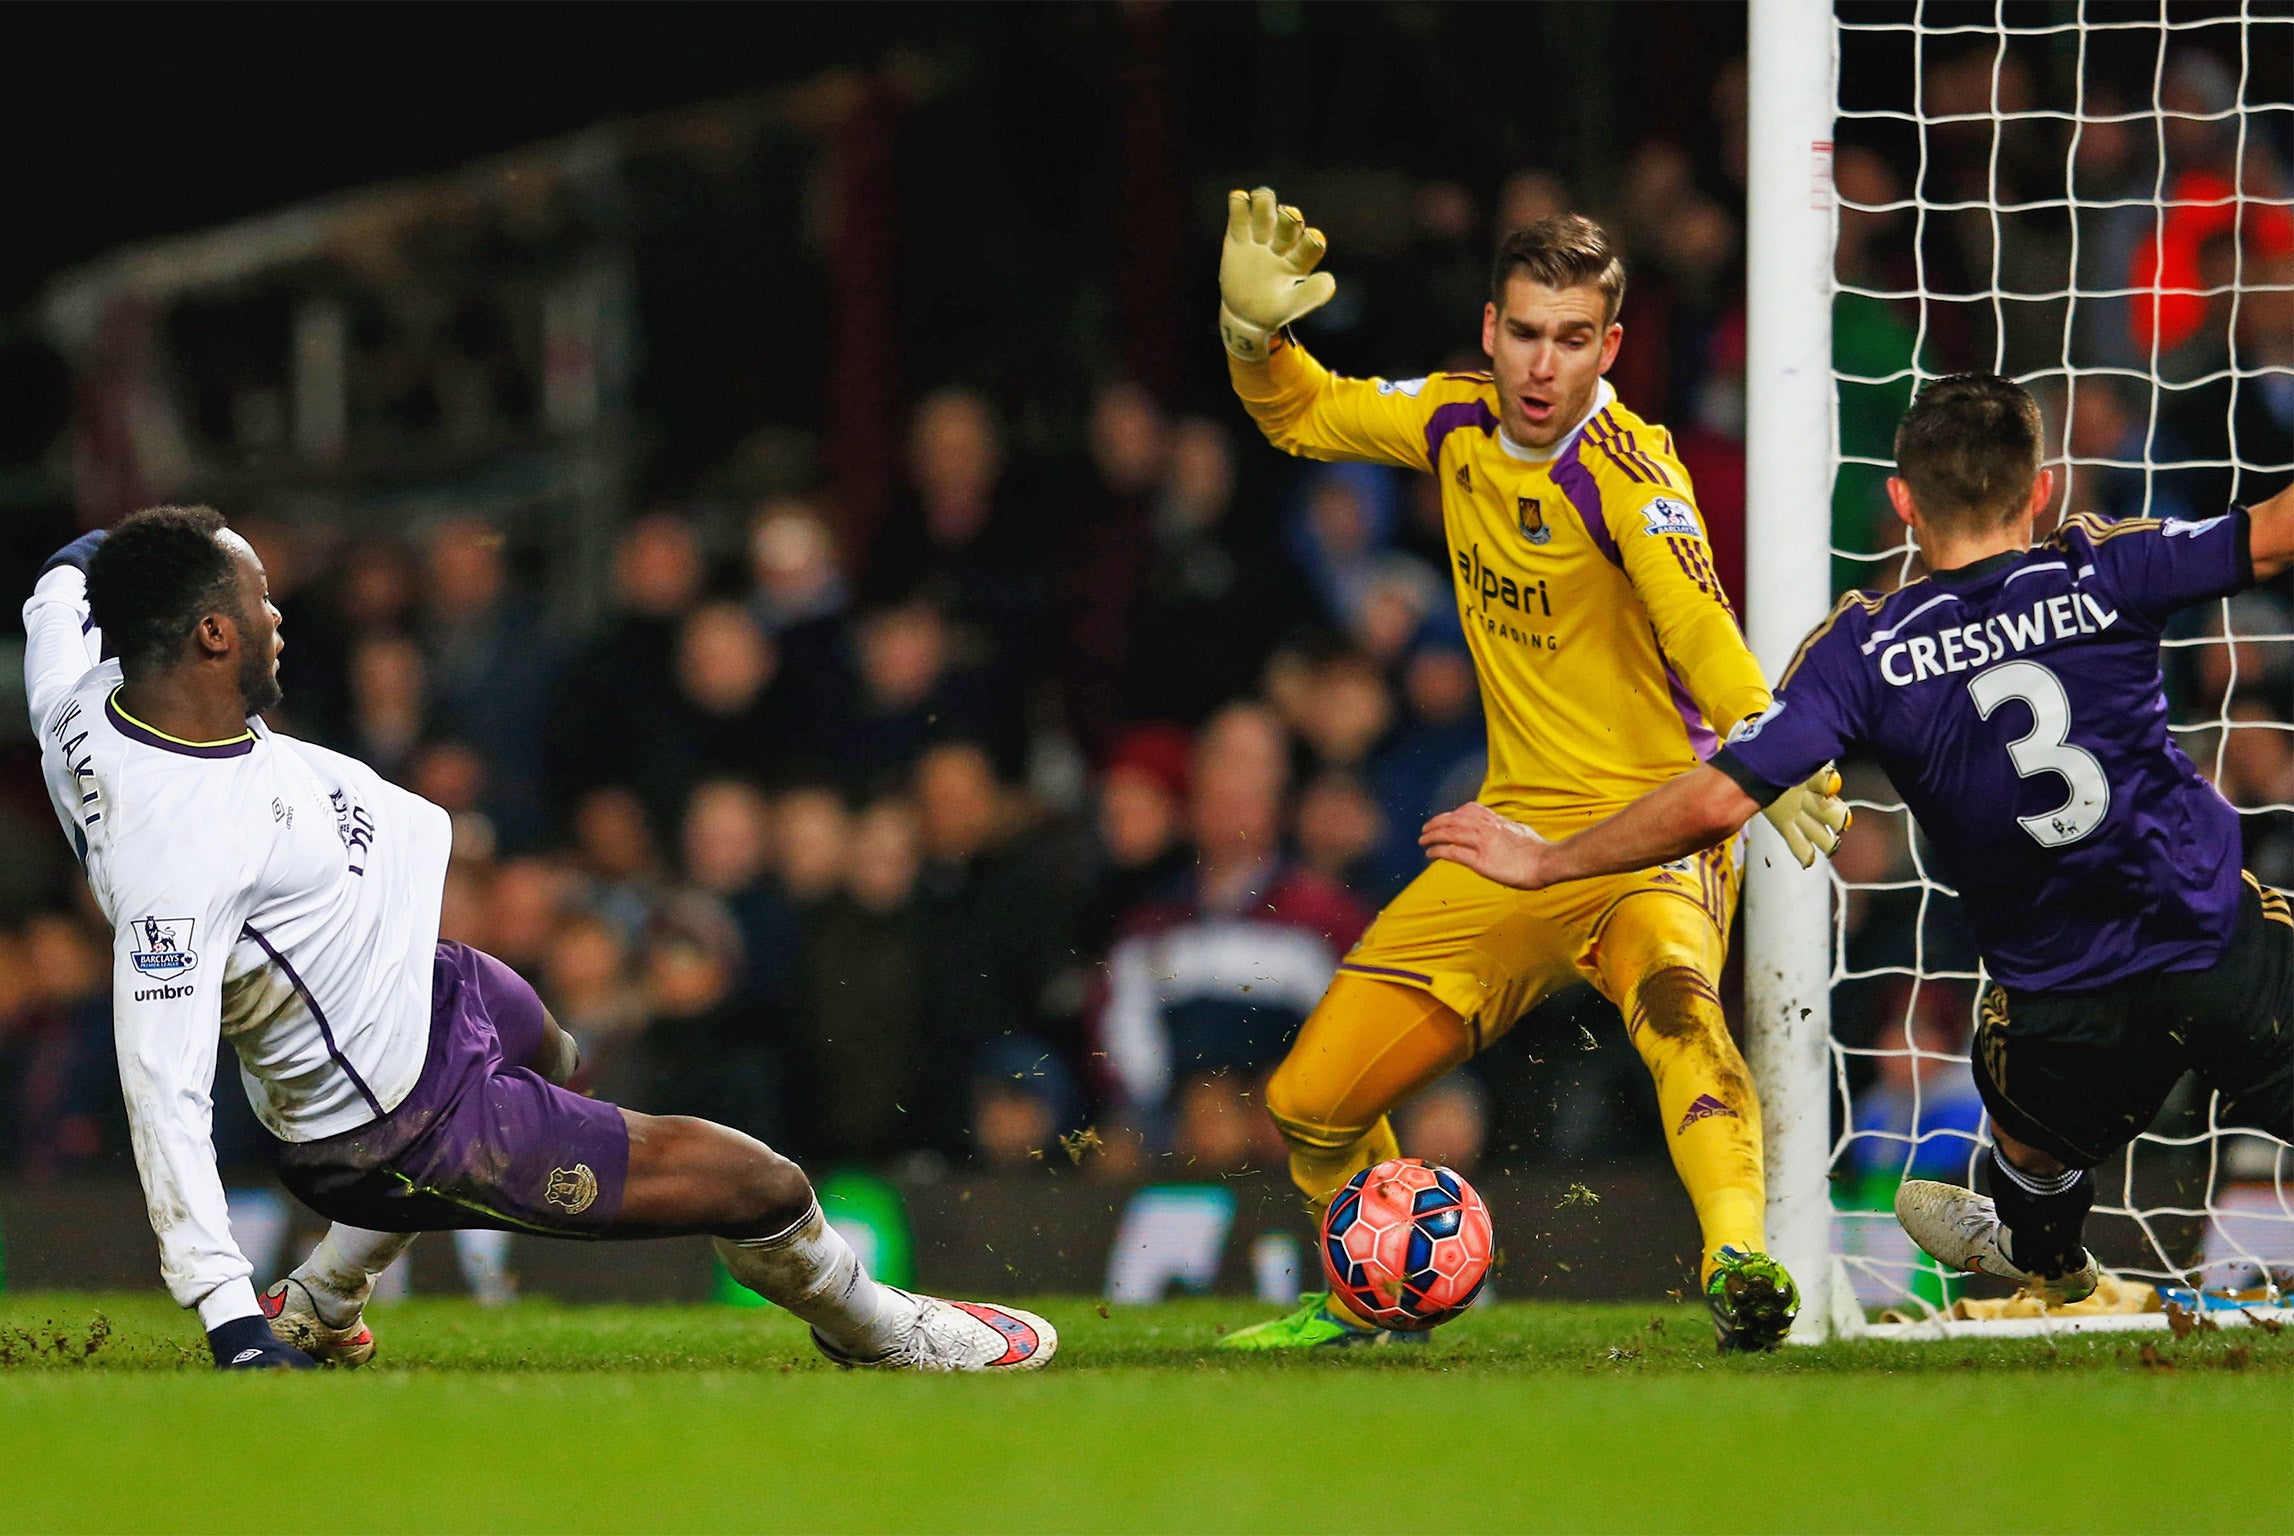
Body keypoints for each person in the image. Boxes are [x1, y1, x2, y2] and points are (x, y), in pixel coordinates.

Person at [22, 506, 1054, 1373]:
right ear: (210, 635)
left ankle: (328, 1296)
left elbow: (53, 598)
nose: (277, 616)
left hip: (426, 990)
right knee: (761, 1185)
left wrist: (116, 544)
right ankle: (879, 1332)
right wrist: (226, 1319)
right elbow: (160, 1089)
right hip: (398, 1120)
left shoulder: (76, 704)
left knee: (557, 1054)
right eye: (256, 600)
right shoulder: (175, 850)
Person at [1421, 375, 2294, 1304]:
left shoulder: (1866, 650)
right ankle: (2045, 1253)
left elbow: (1718, 801)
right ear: (2040, 489)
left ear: (1903, 501)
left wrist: (1550, 858)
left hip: (2058, 998)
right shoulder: (2103, 567)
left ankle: (2046, 1260)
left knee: (2029, 1134)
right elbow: (2274, 536)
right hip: (2214, 939)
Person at [1212, 189, 1846, 1352]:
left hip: (1652, 834)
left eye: (1569, 339)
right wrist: (1256, 340)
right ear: (1488, 328)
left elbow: (1702, 633)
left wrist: (1769, 735)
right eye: (1522, 333)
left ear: (1606, 346)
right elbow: (1302, 417)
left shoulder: (1632, 477)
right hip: (1509, 843)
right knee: (1308, 1105)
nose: (1540, 364)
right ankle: (1376, 1292)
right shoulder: (1451, 420)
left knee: (1677, 1006)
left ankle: (1738, 1261)